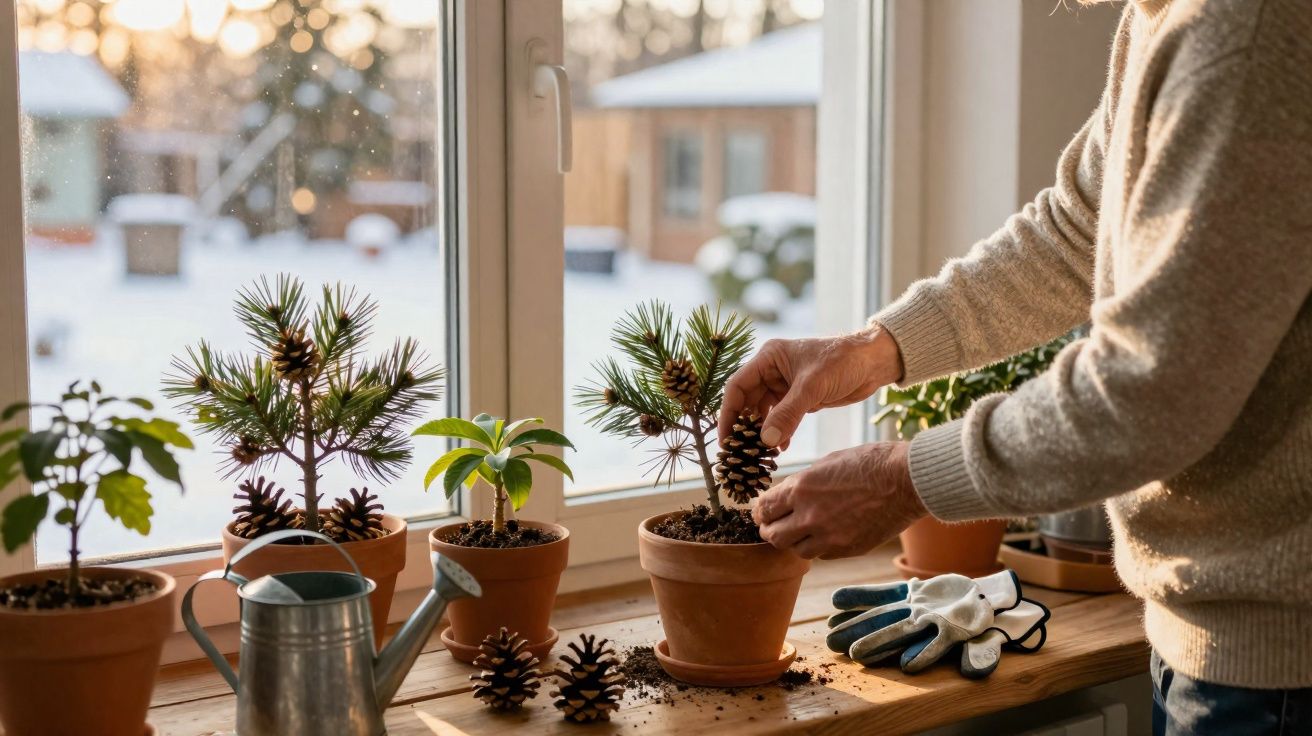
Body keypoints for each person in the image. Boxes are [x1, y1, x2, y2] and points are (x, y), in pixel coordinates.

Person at [718, 1, 1312, 733]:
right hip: (1220, 639)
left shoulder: (1249, 34)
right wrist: (875, 349)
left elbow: (1151, 389)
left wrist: (903, 478)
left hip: (1283, 669)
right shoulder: (1167, 17)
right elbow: (1074, 230)